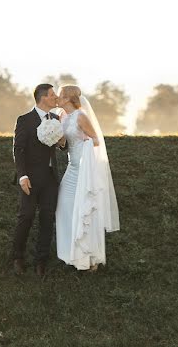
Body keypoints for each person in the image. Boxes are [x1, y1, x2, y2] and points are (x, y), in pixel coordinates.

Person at [55, 85, 119, 271]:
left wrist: (86, 144)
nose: (58, 98)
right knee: (64, 207)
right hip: (71, 168)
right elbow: (64, 142)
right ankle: (71, 254)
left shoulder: (81, 116)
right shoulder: (62, 116)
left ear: (68, 98)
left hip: (84, 169)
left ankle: (90, 258)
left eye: (60, 95)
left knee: (86, 210)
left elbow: (96, 140)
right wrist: (59, 141)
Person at [11, 83, 66, 278]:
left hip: (51, 178)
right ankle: (17, 257)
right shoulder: (25, 120)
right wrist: (22, 176)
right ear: (43, 97)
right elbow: (19, 149)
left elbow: (61, 147)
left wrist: (62, 142)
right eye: (52, 95)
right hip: (31, 179)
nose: (55, 98)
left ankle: (41, 261)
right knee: (26, 216)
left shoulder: (57, 118)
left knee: (47, 218)